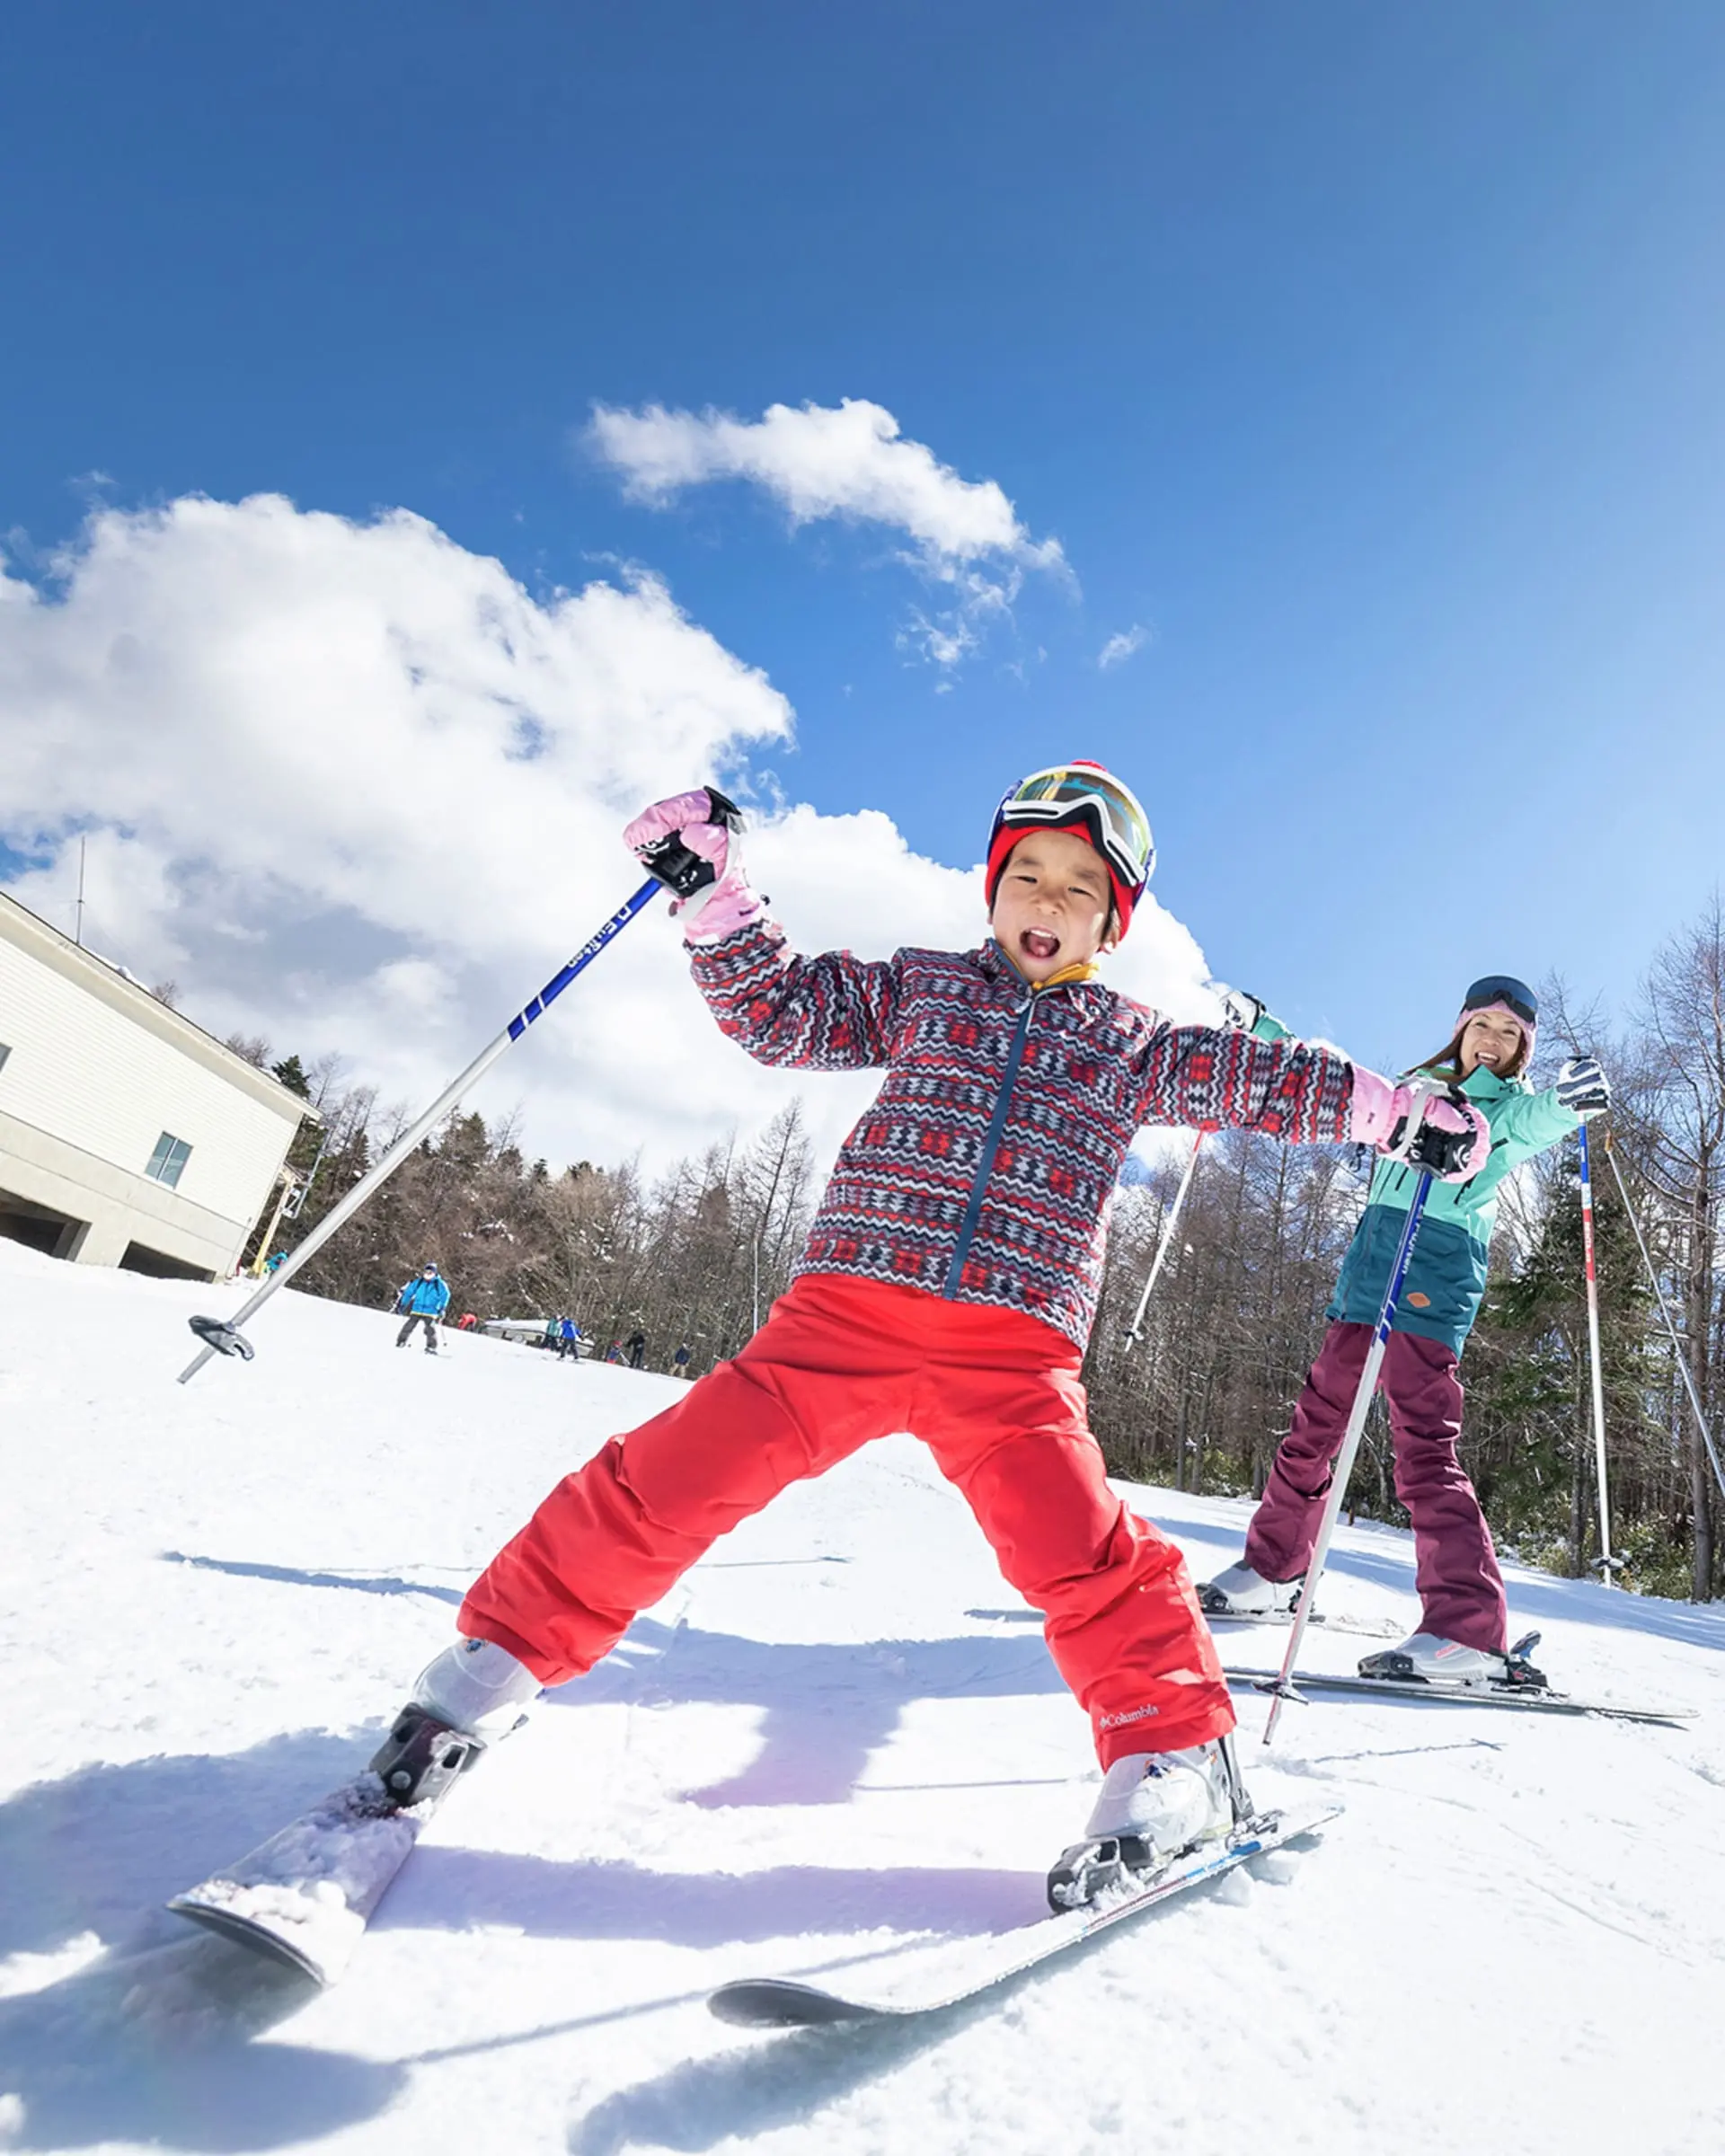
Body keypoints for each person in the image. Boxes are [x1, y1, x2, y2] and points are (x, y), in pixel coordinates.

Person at [371, 765, 1487, 1898]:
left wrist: (1399, 1115)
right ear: (993, 889)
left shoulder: (1135, 1043)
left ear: (1111, 922)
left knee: (1088, 1556)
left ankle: (1172, 1752)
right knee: (654, 1486)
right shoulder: (924, 988)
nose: (1046, 906)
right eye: (1029, 878)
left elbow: (1263, 1079)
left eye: (1078, 892)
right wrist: (714, 898)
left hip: (1011, 1356)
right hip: (840, 1320)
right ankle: (489, 1670)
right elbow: (781, 1010)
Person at [1201, 976, 1611, 1686]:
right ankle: (1275, 1570)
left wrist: (1566, 1104)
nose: (1492, 1040)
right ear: (1459, 1027)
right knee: (1314, 1426)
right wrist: (1262, 1031)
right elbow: (1333, 1081)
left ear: (1521, 1052)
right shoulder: (1413, 1089)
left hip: (1436, 1266)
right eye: (1482, 1024)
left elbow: (1540, 1118)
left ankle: (1467, 1630)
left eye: (1510, 1034)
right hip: (1369, 1266)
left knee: (1422, 1442)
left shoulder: (1507, 1111)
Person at [394, 1264, 451, 1354]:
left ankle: (431, 1347)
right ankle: (401, 1341)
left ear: (435, 1273)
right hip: (417, 1308)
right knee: (409, 1326)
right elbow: (409, 1292)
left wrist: (442, 1308)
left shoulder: (439, 1284)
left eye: (430, 1272)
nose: (428, 1274)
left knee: (430, 1329)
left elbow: (445, 1296)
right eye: (426, 1272)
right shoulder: (419, 1282)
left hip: (431, 1311)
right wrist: (403, 1303)